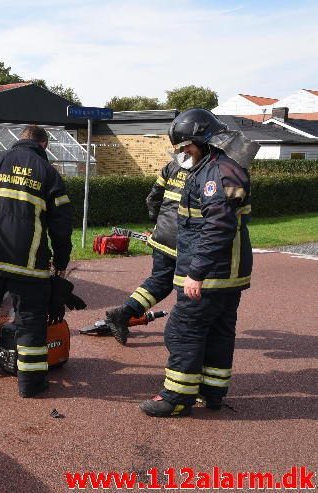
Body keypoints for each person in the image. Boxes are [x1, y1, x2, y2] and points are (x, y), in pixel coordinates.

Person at [140, 108, 253, 417]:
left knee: (182, 331)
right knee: (218, 331)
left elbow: (217, 226)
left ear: (203, 139)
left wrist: (196, 272)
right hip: (226, 272)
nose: (183, 153)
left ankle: (176, 397)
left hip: (212, 273)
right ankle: (212, 392)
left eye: (186, 145)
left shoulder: (215, 173)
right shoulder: (215, 167)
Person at [0, 125, 73, 398]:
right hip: (30, 266)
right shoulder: (50, 175)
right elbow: (62, 225)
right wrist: (61, 261)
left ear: (19, 140)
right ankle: (30, 385)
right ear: (43, 146)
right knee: (31, 323)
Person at [105, 156, 191, 345]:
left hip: (162, 237)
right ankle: (187, 335)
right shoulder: (206, 170)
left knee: (160, 281)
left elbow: (153, 198)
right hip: (186, 241)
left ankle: (123, 313)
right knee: (192, 286)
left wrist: (158, 224)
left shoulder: (171, 166)